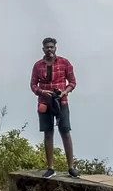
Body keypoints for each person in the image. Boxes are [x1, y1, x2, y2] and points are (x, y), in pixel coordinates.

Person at [30, 37, 78, 178]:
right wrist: (42, 91)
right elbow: (33, 85)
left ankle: (71, 167)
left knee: (65, 131)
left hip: (60, 102)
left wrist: (65, 92)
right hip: (44, 102)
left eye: (51, 47)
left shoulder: (64, 63)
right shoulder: (38, 65)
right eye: (46, 47)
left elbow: (73, 82)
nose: (49, 49)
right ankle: (50, 167)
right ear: (43, 49)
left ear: (55, 48)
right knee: (48, 133)